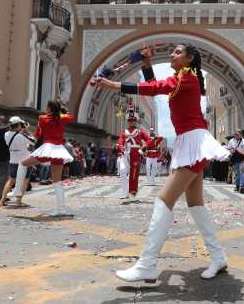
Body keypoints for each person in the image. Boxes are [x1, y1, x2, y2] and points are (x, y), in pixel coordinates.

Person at [94, 43, 230, 283]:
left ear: (189, 59)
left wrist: (114, 84)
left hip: (193, 141)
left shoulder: (187, 79)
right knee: (195, 204)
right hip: (189, 141)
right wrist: (146, 66)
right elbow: (157, 88)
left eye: (178, 52)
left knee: (164, 200)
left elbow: (156, 88)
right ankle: (218, 257)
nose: (172, 54)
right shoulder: (184, 77)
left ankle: (147, 263)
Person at [15, 100, 74, 216]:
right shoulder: (62, 118)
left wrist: (26, 131)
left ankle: (17, 189)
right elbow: (70, 116)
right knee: (57, 182)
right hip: (59, 150)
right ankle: (61, 209)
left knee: (22, 163)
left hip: (48, 148)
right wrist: (63, 110)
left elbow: (38, 135)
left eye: (47, 107)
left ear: (50, 109)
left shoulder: (42, 118)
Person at [0, 117, 35, 207]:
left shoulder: (6, 134)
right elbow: (34, 142)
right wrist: (27, 131)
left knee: (11, 181)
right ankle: (18, 201)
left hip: (13, 160)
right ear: (18, 125)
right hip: (25, 161)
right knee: (25, 181)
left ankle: (2, 200)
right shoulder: (22, 135)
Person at [116, 108, 150, 199]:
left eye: (133, 120)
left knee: (134, 174)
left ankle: (132, 193)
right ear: (127, 121)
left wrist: (142, 150)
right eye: (129, 120)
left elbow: (148, 141)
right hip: (125, 154)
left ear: (136, 121)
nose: (131, 122)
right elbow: (120, 141)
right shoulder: (124, 132)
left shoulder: (140, 132)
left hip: (135, 154)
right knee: (122, 171)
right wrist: (121, 147)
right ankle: (125, 192)